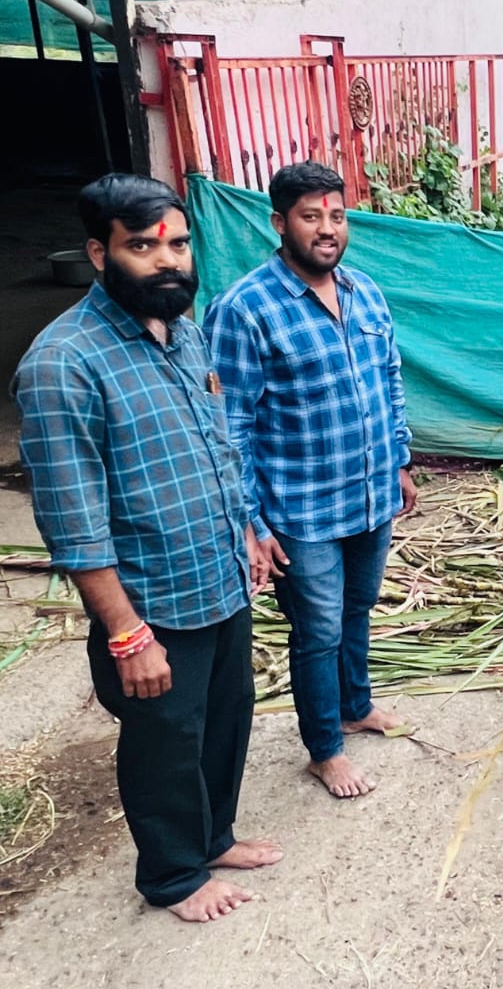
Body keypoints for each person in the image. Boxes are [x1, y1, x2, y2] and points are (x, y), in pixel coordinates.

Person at [14, 174, 280, 922]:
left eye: (178, 243)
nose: (168, 261)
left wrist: (250, 534)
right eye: (143, 247)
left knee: (226, 718)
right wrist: (128, 636)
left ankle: (213, 837)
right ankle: (172, 878)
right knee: (165, 743)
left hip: (220, 578)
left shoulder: (180, 325)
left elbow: (218, 449)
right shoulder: (63, 364)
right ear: (98, 253)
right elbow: (73, 523)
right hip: (152, 605)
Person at [204, 161, 416, 799]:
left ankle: (356, 705)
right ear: (279, 222)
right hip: (300, 510)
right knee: (318, 630)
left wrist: (401, 460)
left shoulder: (365, 292)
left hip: (372, 495)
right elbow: (230, 427)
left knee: (357, 610)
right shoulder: (244, 309)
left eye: (336, 215)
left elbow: (391, 384)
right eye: (310, 216)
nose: (327, 229)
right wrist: (251, 522)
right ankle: (324, 748)